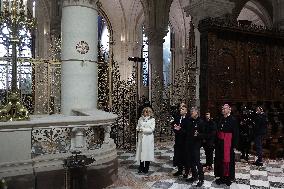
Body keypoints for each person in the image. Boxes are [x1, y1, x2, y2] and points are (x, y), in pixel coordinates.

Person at [214, 104, 238, 186]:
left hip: (228, 143)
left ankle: (228, 178)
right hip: (220, 143)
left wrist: (234, 145)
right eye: (222, 109)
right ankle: (221, 177)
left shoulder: (233, 120)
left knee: (228, 161)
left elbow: (235, 134)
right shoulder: (221, 119)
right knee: (220, 160)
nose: (223, 110)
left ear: (229, 109)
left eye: (225, 109)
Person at [186, 107, 204, 187]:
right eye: (190, 111)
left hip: (196, 144)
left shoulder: (201, 121)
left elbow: (204, 134)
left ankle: (201, 179)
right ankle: (194, 176)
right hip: (189, 143)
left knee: (197, 162)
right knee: (191, 161)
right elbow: (187, 131)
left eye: (192, 112)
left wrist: (199, 135)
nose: (191, 113)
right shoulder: (189, 120)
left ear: (196, 112)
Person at [135, 107, 155, 173]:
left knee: (147, 153)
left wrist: (143, 129)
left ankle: (146, 168)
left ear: (150, 112)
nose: (145, 113)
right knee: (141, 153)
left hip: (148, 139)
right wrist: (138, 129)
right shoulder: (140, 119)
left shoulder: (152, 120)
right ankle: (141, 167)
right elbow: (138, 126)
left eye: (147, 111)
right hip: (141, 138)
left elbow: (152, 129)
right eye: (144, 111)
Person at [172, 104, 189, 178]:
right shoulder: (177, 118)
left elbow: (188, 131)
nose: (180, 110)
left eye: (182, 109)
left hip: (185, 141)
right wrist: (175, 128)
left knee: (185, 156)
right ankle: (179, 170)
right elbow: (174, 126)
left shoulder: (188, 119)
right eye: (180, 109)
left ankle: (186, 172)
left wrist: (180, 129)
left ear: (186, 111)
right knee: (178, 155)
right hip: (178, 139)